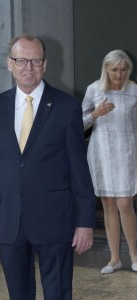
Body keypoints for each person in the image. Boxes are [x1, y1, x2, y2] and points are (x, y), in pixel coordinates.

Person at [0, 33, 96, 300]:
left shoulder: (67, 107)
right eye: (21, 60)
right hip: (8, 219)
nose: (28, 67)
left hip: (55, 219)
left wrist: (85, 222)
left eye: (35, 61)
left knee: (57, 293)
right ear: (9, 64)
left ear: (45, 64)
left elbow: (80, 169)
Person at [82, 49, 137, 274]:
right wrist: (95, 114)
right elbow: (79, 123)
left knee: (125, 203)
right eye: (114, 69)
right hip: (101, 153)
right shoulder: (94, 90)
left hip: (126, 152)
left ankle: (134, 255)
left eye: (124, 70)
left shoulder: (134, 90)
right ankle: (114, 259)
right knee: (108, 205)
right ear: (106, 68)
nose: (119, 74)